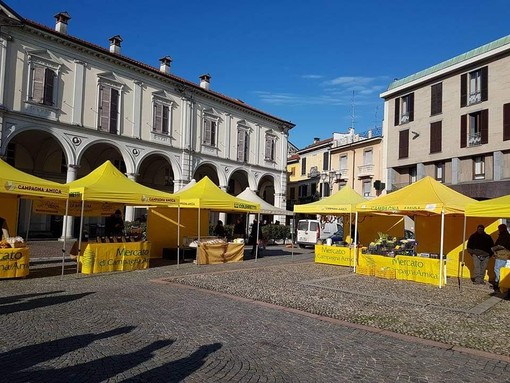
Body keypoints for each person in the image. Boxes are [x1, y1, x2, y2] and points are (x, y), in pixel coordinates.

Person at [491, 224, 510, 294]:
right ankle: (500, 283)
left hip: (501, 254)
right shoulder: (507, 235)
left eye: (499, 228)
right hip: (505, 254)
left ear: (501, 229)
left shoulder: (503, 236)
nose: (498, 230)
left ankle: (498, 283)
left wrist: (493, 249)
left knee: (497, 269)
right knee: (501, 269)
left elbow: (500, 245)